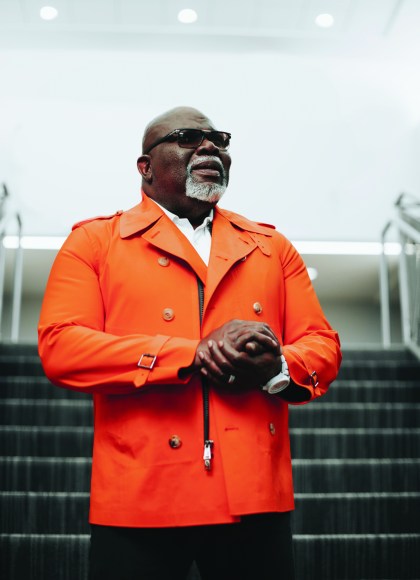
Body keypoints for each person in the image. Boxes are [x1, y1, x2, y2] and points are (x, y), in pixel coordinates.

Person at [38, 106, 342, 580]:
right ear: (145, 167)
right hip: (140, 495)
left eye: (219, 140)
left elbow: (320, 343)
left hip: (255, 497)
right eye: (187, 138)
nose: (209, 147)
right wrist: (191, 353)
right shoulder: (94, 243)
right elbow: (62, 347)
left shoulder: (271, 247)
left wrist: (278, 366)